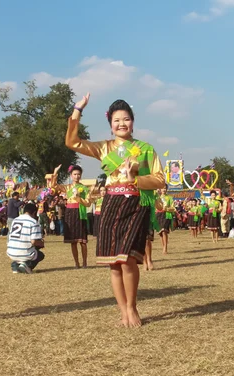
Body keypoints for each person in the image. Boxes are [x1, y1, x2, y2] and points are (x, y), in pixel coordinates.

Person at [66, 94, 165, 328]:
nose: (122, 124)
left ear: (133, 121)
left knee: (128, 259)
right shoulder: (104, 147)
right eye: (117, 120)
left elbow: (160, 179)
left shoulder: (145, 149)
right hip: (111, 204)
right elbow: (73, 142)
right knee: (114, 262)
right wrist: (77, 110)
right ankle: (122, 312)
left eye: (126, 119)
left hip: (135, 205)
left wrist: (136, 180)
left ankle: (132, 307)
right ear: (110, 124)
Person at [58, 165, 92, 268]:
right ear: (71, 175)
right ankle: (76, 263)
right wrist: (55, 173)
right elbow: (53, 186)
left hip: (80, 213)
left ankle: (85, 262)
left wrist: (78, 198)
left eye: (78, 174)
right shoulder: (66, 187)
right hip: (69, 213)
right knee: (73, 242)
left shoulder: (85, 188)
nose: (76, 176)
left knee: (82, 241)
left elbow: (88, 203)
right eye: (74, 174)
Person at [7, 202, 45, 274]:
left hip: (11, 252)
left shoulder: (15, 220)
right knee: (40, 255)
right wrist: (42, 243)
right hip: (24, 253)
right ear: (34, 212)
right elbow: (34, 241)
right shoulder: (33, 222)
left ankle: (15, 266)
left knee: (23, 248)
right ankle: (27, 266)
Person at [156, 187, 175, 253]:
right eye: (162, 188)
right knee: (161, 232)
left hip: (166, 215)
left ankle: (165, 248)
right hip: (158, 215)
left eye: (165, 188)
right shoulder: (157, 197)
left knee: (164, 231)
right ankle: (163, 245)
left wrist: (166, 209)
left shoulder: (170, 198)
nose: (163, 189)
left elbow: (173, 208)